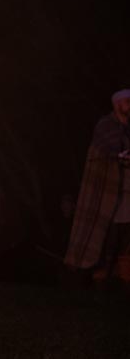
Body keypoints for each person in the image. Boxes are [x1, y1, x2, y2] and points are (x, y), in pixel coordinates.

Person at [64, 89, 130, 290]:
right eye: (127, 102)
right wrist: (118, 156)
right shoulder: (106, 125)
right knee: (105, 239)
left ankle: (123, 281)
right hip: (108, 194)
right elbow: (103, 151)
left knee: (125, 242)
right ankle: (96, 281)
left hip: (127, 193)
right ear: (117, 104)